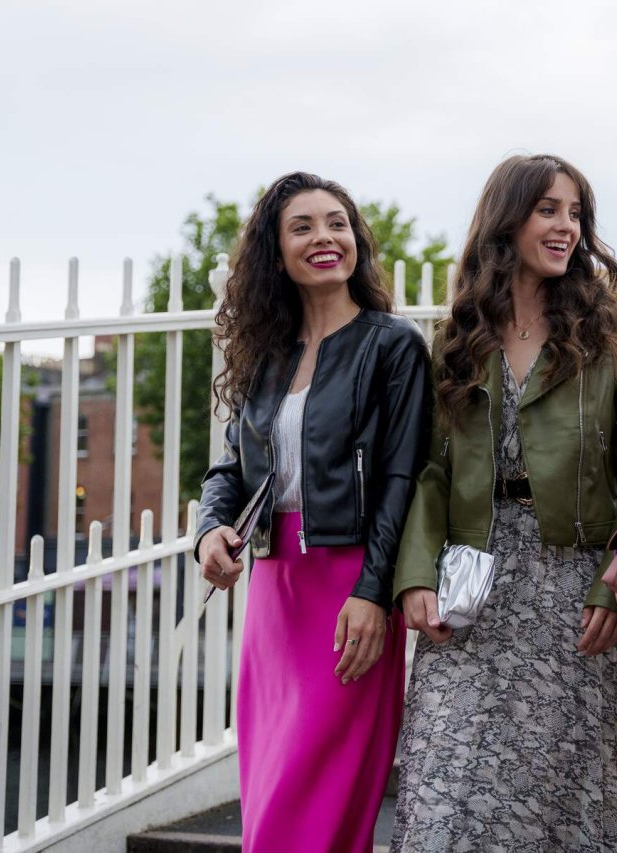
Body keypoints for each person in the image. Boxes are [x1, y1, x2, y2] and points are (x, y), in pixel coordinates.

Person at [389, 153, 617, 851]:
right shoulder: (460, 333)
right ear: (507, 218)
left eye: (576, 213)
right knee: (447, 801)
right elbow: (429, 467)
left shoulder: (612, 328)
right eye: (549, 209)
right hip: (471, 590)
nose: (567, 227)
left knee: (570, 802)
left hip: (575, 589)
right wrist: (416, 573)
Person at [195, 172, 431, 852]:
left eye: (337, 222)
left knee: (313, 791)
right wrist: (211, 527)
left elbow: (401, 478)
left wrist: (372, 589)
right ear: (276, 251)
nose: (325, 237)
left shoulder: (393, 345)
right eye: (303, 226)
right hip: (275, 589)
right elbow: (232, 468)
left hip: (350, 581)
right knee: (270, 789)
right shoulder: (264, 355)